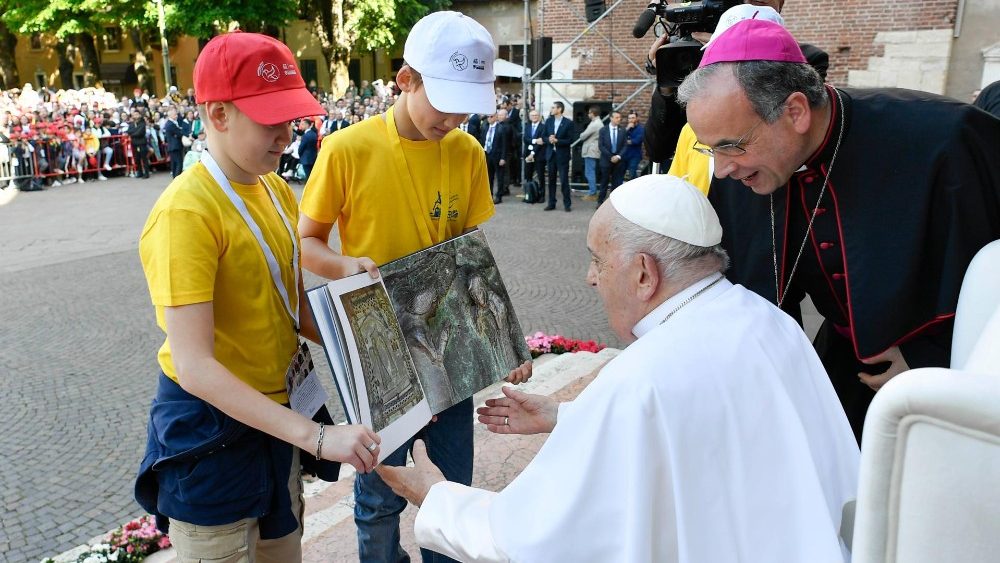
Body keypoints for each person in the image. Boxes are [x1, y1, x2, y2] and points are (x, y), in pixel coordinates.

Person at [377, 175, 860, 562]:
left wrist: (437, 498)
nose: (589, 277)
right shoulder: (768, 320)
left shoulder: (642, 377)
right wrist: (565, 416)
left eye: (596, 260)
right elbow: (696, 432)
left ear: (645, 273)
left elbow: (531, 538)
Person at [676, 18, 1000, 442]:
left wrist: (933, 358)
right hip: (841, 365)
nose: (721, 170)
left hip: (948, 374)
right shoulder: (746, 174)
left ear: (795, 112)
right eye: (710, 149)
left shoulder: (946, 139)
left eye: (731, 145)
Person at [133, 32, 380, 563]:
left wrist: (369, 321)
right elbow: (196, 367)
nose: (287, 134)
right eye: (271, 119)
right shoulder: (186, 213)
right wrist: (316, 438)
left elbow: (289, 306)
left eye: (291, 117)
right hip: (212, 435)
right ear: (218, 114)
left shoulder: (271, 188)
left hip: (276, 419)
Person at [297, 12, 531, 563]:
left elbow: (469, 257)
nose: (452, 117)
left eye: (463, 104)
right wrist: (347, 266)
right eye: (443, 100)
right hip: (379, 354)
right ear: (406, 79)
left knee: (449, 492)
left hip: (447, 350)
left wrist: (502, 341)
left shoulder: (467, 152)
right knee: (379, 494)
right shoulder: (347, 149)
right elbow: (305, 243)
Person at [543, 101, 573, 211]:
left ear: (559, 109)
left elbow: (570, 140)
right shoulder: (549, 121)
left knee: (564, 180)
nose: (551, 109)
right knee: (551, 180)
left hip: (562, 156)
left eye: (553, 107)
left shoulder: (568, 123)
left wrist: (557, 140)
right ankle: (551, 203)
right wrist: (549, 139)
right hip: (551, 155)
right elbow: (544, 136)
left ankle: (567, 204)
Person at [596, 110, 626, 205]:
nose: (619, 119)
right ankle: (600, 202)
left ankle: (613, 204)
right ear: (611, 118)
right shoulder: (603, 130)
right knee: (604, 182)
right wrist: (610, 157)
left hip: (618, 161)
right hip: (606, 160)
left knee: (616, 183)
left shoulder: (622, 130)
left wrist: (618, 156)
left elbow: (625, 145)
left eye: (619, 118)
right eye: (616, 117)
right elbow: (601, 146)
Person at [481, 111, 510, 204]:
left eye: (491, 116)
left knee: (500, 176)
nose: (489, 118)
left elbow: (505, 145)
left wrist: (503, 158)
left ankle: (499, 196)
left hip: (497, 156)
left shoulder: (501, 128)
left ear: (496, 117)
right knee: (489, 176)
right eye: (488, 117)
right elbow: (482, 140)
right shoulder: (485, 127)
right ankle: (489, 195)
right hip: (487, 154)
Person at [577, 106, 603, 202]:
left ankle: (592, 193)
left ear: (593, 113)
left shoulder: (595, 124)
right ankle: (592, 192)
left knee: (589, 172)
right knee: (590, 171)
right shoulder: (597, 123)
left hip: (590, 151)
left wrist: (581, 135)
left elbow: (583, 136)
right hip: (592, 150)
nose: (588, 114)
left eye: (589, 113)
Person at [522, 109, 547, 201]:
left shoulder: (543, 127)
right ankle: (529, 194)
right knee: (528, 175)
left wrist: (533, 153)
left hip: (539, 155)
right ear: (529, 117)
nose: (534, 117)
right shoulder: (527, 126)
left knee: (540, 176)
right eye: (532, 115)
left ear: (539, 117)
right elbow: (526, 139)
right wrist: (535, 140)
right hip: (528, 155)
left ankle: (542, 195)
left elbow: (541, 142)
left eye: (536, 115)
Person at [126, 109, 150, 179]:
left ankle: (146, 173)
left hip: (142, 143)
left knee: (144, 158)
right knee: (137, 159)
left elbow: (140, 132)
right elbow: (129, 131)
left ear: (139, 115)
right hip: (134, 143)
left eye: (137, 114)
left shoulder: (142, 123)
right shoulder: (132, 124)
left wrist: (132, 133)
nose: (135, 116)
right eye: (134, 114)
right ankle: (140, 172)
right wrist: (134, 132)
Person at [162, 107, 185, 178]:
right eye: (175, 114)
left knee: (175, 163)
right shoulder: (170, 124)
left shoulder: (172, 123)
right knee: (178, 163)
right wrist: (179, 132)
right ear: (171, 115)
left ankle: (175, 178)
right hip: (175, 146)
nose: (176, 116)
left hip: (173, 146)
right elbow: (179, 133)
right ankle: (177, 178)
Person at [622, 110, 644, 180]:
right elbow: (620, 138)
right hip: (624, 155)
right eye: (629, 118)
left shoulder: (641, 129)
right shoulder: (625, 129)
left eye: (633, 118)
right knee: (620, 173)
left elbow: (636, 141)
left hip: (635, 156)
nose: (631, 120)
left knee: (632, 174)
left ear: (637, 118)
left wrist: (624, 141)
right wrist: (627, 129)